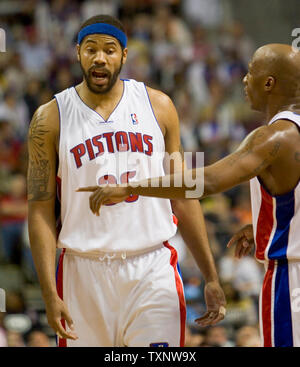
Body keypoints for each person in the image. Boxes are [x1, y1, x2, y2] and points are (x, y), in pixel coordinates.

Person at [80, 43, 300, 347]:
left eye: (251, 72)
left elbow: (206, 182)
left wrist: (131, 186)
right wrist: (270, 227)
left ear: (269, 83)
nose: (244, 80)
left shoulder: (271, 137)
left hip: (291, 282)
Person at [27, 14, 225, 347]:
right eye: (90, 49)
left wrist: (211, 276)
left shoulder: (160, 106)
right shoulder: (48, 118)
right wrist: (48, 291)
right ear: (78, 54)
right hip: (82, 272)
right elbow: (40, 211)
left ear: (124, 56)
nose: (99, 57)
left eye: (109, 49)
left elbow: (184, 194)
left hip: (151, 268)